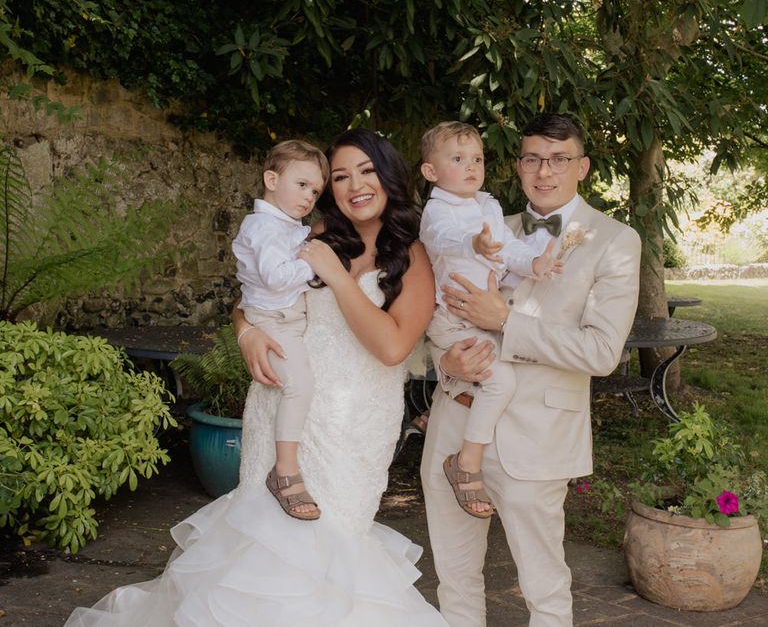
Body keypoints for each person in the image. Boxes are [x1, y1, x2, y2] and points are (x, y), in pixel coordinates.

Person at [65, 128, 447, 627]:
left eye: (367, 170)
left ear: (389, 175)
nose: (355, 184)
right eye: (340, 176)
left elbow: (394, 347)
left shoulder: (412, 255)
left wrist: (335, 276)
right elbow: (254, 298)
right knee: (261, 541)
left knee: (329, 547)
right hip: (282, 403)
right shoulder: (311, 236)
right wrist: (244, 332)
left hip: (354, 422)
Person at [420, 113, 642, 627]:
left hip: (536, 438)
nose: (544, 171)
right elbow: (435, 304)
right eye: (532, 159)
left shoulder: (614, 241)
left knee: (542, 583)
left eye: (559, 158)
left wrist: (508, 323)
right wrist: (443, 359)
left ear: (582, 166)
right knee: (453, 577)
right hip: (456, 421)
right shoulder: (480, 223)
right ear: (518, 166)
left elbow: (602, 352)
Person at [418, 121, 561, 519]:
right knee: (501, 382)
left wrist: (534, 263)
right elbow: (442, 239)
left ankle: (448, 424)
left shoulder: (488, 205)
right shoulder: (436, 211)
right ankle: (465, 463)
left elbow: (507, 248)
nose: (471, 166)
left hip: (486, 319)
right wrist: (473, 243)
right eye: (458, 159)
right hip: (454, 318)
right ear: (431, 171)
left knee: (504, 378)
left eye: (477, 159)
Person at [231, 139, 328, 521]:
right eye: (301, 185)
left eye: (315, 191)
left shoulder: (285, 225)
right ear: (271, 179)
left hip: (290, 319)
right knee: (298, 385)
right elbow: (274, 278)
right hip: (274, 321)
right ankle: (284, 469)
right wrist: (316, 262)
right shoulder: (264, 227)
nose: (309, 197)